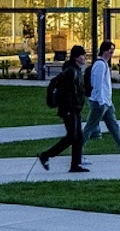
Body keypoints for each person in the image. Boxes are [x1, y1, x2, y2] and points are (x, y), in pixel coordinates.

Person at [81, 40, 120, 163]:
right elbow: (97, 85)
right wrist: (100, 101)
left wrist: (107, 102)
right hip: (100, 102)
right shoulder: (99, 65)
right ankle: (77, 154)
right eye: (110, 50)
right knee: (89, 128)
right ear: (104, 50)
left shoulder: (103, 64)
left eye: (112, 51)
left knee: (114, 128)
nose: (111, 53)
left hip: (106, 103)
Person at [36, 45, 90, 173]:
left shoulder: (76, 70)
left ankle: (75, 165)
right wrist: (69, 108)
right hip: (70, 109)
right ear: (77, 57)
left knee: (78, 137)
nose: (85, 58)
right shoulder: (70, 72)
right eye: (83, 55)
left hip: (75, 109)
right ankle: (46, 155)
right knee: (72, 137)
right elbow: (65, 92)